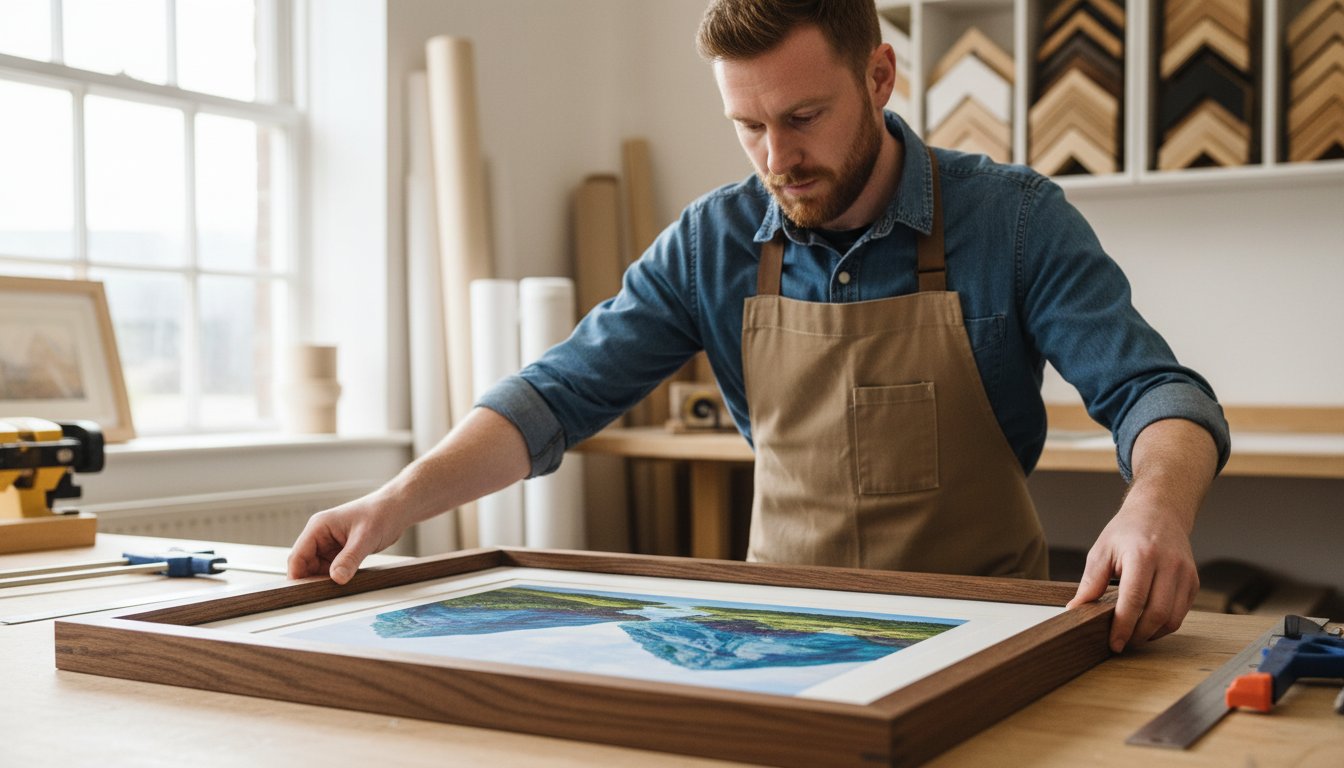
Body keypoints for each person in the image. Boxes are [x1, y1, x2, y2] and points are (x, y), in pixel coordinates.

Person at [289, 0, 1229, 654]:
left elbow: (1155, 390)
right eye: (747, 126)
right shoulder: (715, 240)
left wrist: (1156, 506)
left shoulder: (1013, 219)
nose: (778, 159)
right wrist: (395, 504)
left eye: (804, 117)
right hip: (777, 638)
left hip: (981, 631)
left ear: (881, 75)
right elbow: (556, 394)